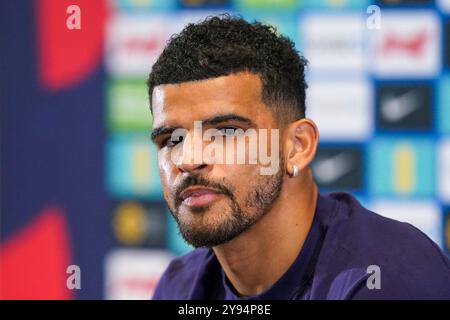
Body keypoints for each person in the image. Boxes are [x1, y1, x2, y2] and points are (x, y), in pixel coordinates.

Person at [147, 15, 450, 299]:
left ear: (298, 146)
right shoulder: (179, 286)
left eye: (225, 132)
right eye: (171, 139)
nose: (188, 159)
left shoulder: (385, 278)